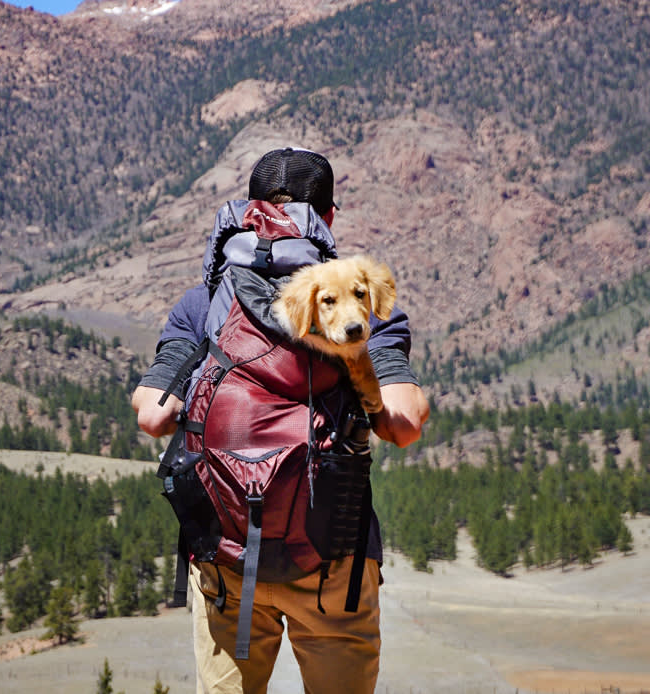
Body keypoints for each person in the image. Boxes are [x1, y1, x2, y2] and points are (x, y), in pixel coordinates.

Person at [132, 147, 429, 694]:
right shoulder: (360, 310)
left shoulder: (203, 305)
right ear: (328, 218)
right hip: (332, 559)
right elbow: (404, 424)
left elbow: (153, 414)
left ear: (250, 214)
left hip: (227, 558)